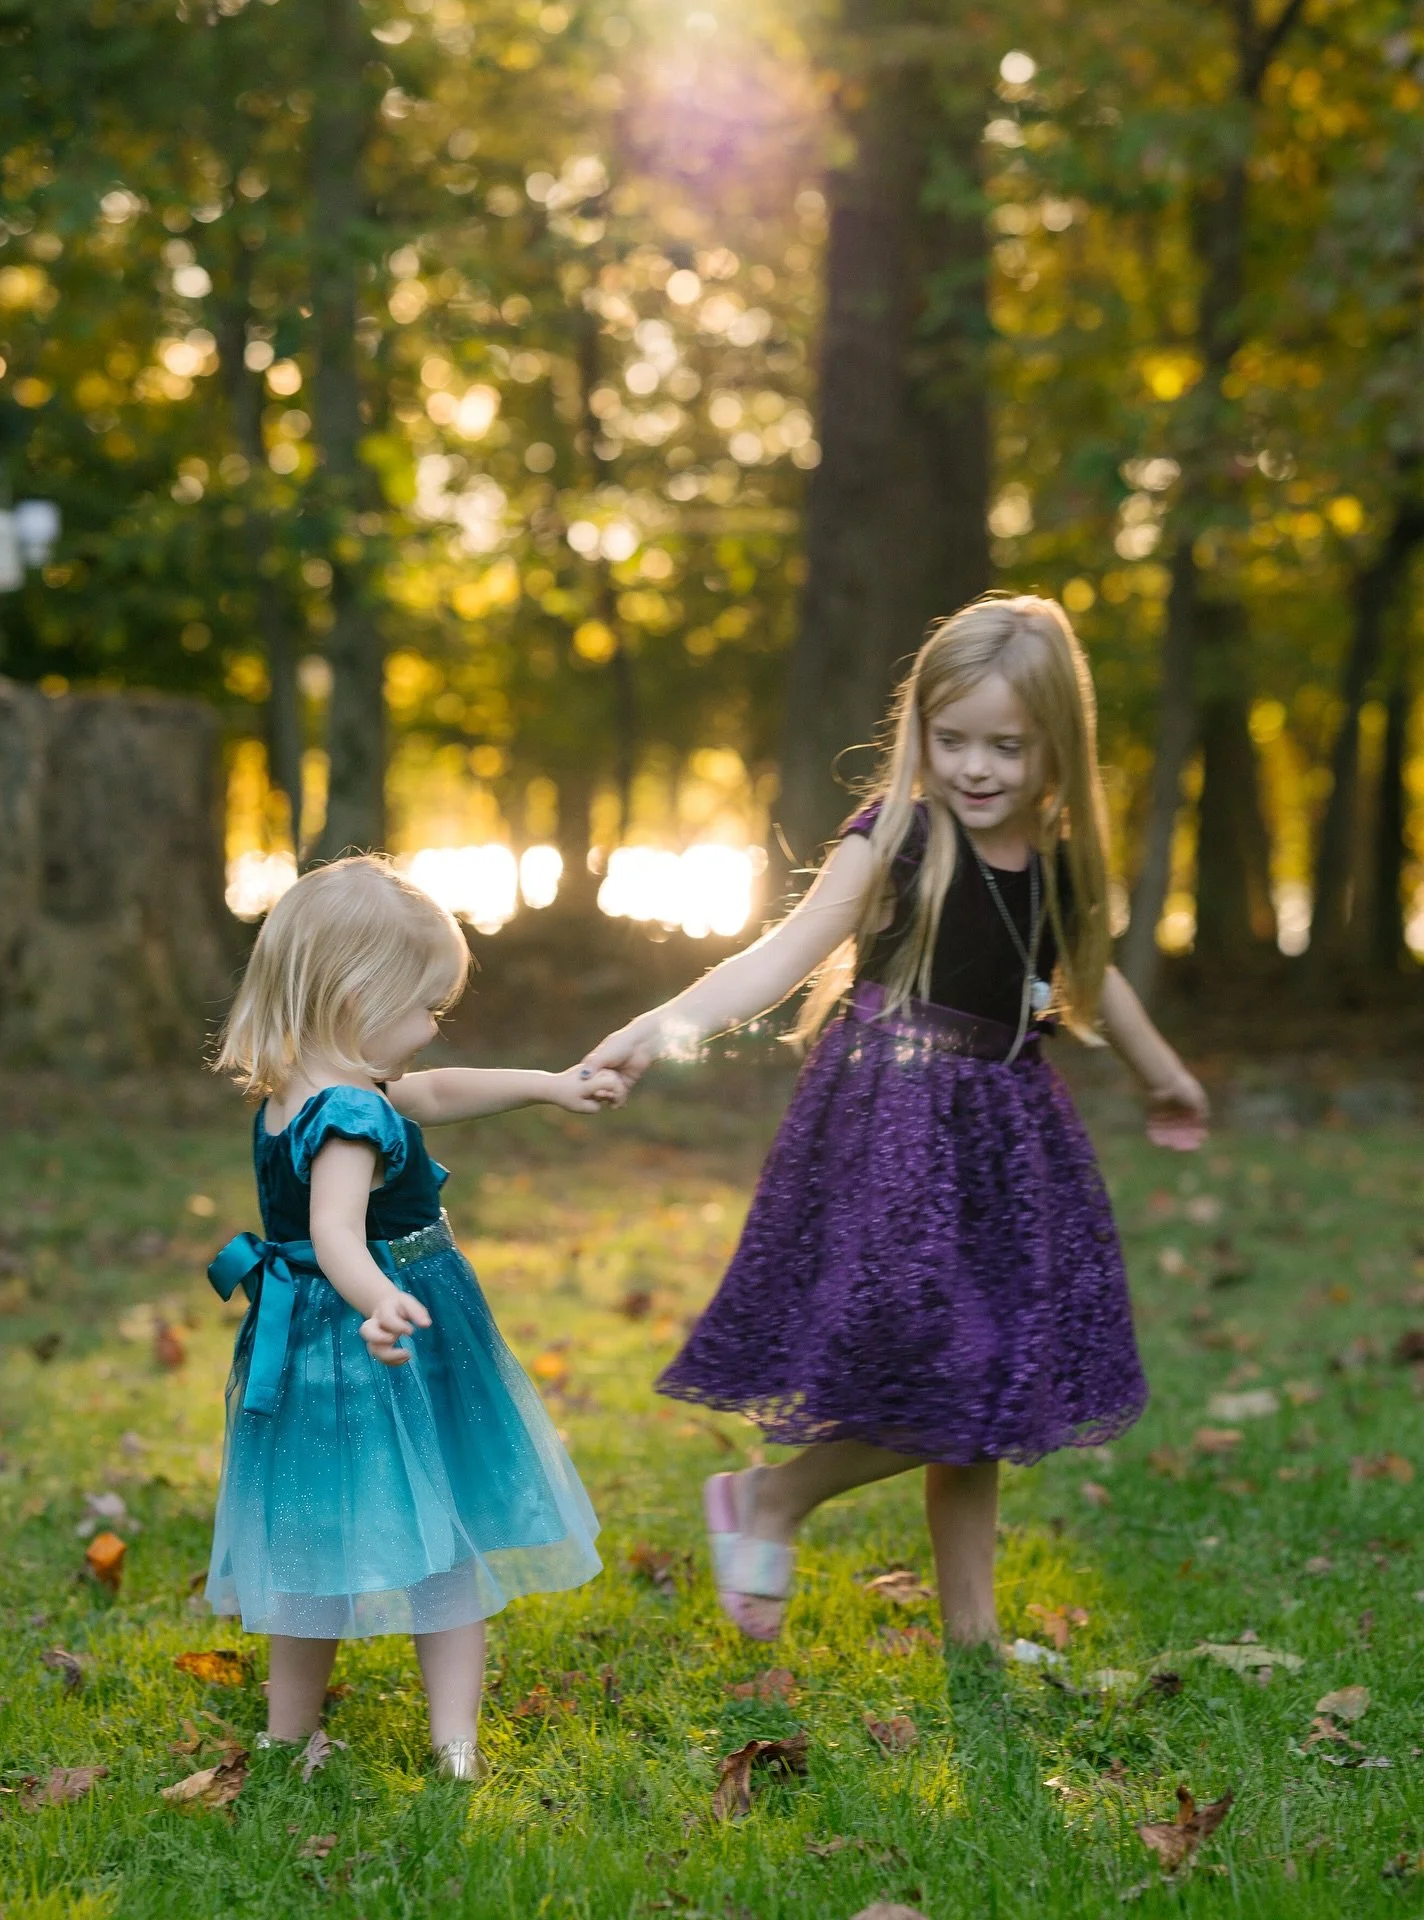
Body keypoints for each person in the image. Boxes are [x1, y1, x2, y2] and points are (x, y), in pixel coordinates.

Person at [581, 595, 1208, 1648]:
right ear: (918, 730)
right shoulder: (898, 841)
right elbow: (779, 956)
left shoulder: (1055, 861)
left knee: (993, 1383)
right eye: (950, 739)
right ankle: (773, 1499)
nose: (974, 767)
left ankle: (971, 1636)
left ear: (1057, 741)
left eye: (1005, 746)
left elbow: (1090, 982)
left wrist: (1163, 1077)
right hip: (896, 1129)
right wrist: (661, 1024)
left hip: (1005, 1137)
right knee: (963, 1364)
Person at [206, 855, 623, 1779]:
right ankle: (454, 1741)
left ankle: (287, 1733)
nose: (436, 1026)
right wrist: (382, 1297)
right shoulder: (351, 1111)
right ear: (360, 993)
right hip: (389, 1327)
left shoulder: (300, 1090)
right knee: (447, 1525)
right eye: (429, 1004)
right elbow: (335, 1229)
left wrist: (550, 1084)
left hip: (308, 1337)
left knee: (312, 1534)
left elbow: (431, 1095)